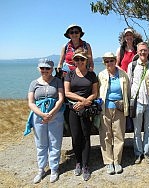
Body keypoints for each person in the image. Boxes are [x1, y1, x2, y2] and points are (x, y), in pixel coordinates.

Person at [27, 59, 64, 184]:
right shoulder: (34, 83)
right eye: (42, 68)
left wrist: (52, 113)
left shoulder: (58, 81)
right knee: (41, 144)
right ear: (39, 69)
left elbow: (61, 98)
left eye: (47, 68)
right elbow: (31, 102)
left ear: (52, 69)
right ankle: (41, 169)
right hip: (39, 116)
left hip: (56, 115)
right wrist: (42, 114)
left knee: (55, 142)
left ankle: (54, 169)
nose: (45, 71)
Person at [64, 49, 98, 181]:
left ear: (86, 60)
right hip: (72, 109)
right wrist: (81, 100)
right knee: (76, 136)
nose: (79, 62)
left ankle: (85, 165)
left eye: (82, 59)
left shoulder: (91, 75)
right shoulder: (70, 74)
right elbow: (67, 92)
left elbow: (95, 93)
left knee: (85, 136)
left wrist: (84, 103)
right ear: (74, 60)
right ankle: (78, 162)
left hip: (86, 109)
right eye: (77, 59)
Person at [98, 52, 130, 175]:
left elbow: (127, 91)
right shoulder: (101, 75)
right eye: (107, 61)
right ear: (104, 63)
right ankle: (108, 162)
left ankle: (117, 161)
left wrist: (124, 103)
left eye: (111, 60)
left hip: (119, 108)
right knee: (106, 135)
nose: (109, 63)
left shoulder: (123, 74)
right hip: (105, 108)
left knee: (119, 135)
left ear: (115, 61)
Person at [127, 42, 149, 164]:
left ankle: (147, 152)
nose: (143, 52)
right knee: (137, 129)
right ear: (137, 52)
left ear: (148, 51)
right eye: (141, 50)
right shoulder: (132, 66)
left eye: (145, 50)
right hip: (138, 101)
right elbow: (129, 84)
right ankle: (138, 153)